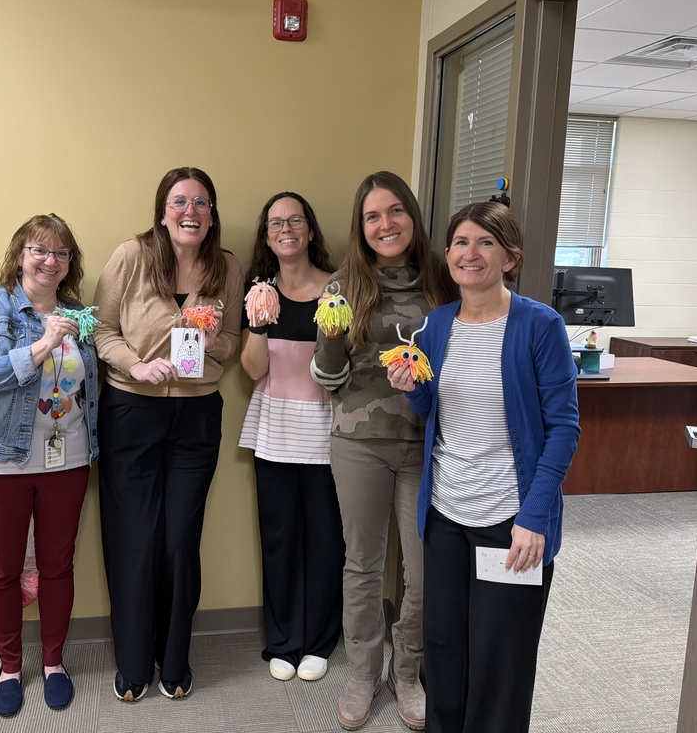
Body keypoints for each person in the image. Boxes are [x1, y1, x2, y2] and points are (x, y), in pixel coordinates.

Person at [389, 201, 581, 733]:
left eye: (484, 242)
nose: (469, 253)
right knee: (444, 649)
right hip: (446, 513)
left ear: (510, 258)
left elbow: (564, 428)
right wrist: (413, 389)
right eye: (460, 242)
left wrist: (534, 517)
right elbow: (437, 411)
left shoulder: (540, 325)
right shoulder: (435, 325)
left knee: (500, 659)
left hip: (510, 520)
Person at [311, 171, 459, 731]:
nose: (385, 224)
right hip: (360, 443)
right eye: (372, 216)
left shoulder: (444, 278)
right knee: (363, 565)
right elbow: (329, 378)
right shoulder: (343, 285)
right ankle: (362, 673)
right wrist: (331, 336)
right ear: (361, 226)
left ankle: (408, 672)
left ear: (412, 216)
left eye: (395, 211)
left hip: (428, 442)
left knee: (423, 571)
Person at [93, 166, 243, 702]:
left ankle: (174, 658)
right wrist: (135, 365)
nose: (190, 211)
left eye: (201, 202)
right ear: (163, 212)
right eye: (180, 201)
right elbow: (101, 329)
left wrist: (211, 342)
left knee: (180, 541)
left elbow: (233, 339)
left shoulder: (226, 267)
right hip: (131, 412)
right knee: (135, 540)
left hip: (197, 416)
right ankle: (134, 662)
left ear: (212, 215)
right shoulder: (131, 257)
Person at [0, 213, 98, 717]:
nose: (50, 261)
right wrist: (42, 345)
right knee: (4, 571)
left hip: (68, 458)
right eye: (40, 249)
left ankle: (54, 663)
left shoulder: (80, 315)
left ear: (70, 263)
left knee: (58, 566)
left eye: (61, 253)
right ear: (20, 255)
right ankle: (10, 668)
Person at [238, 192, 344, 684]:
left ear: (310, 229)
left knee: (325, 540)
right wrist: (259, 325)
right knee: (279, 539)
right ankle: (283, 641)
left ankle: (320, 640)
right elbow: (252, 370)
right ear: (266, 236)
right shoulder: (259, 294)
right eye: (276, 223)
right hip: (275, 433)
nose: (286, 229)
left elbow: (343, 368)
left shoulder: (337, 290)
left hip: (328, 434)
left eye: (295, 220)